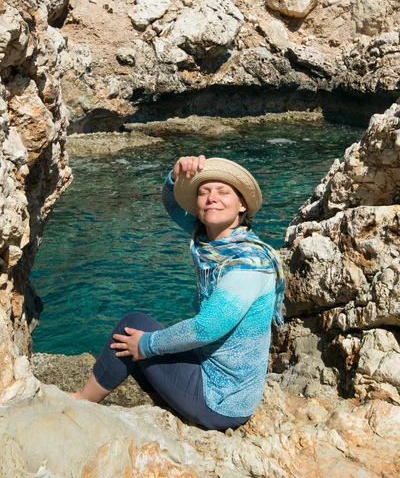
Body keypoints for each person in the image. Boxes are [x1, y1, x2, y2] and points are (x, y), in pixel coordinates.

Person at [68, 155, 284, 430]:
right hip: (220, 382)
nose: (211, 198)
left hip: (219, 400)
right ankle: (164, 400)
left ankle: (81, 401)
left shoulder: (247, 265)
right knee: (154, 335)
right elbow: (173, 207)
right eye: (204, 192)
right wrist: (175, 176)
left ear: (242, 204)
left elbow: (206, 328)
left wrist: (145, 345)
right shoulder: (211, 243)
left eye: (223, 192)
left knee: (132, 326)